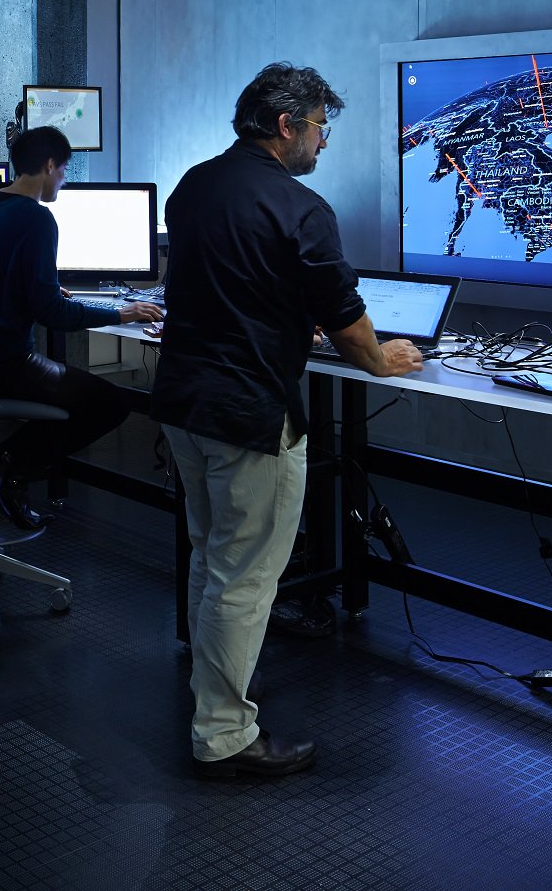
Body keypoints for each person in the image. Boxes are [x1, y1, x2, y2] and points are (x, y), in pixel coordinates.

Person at [152, 63, 423, 781]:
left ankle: (214, 688)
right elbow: (346, 316)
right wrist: (380, 359)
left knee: (212, 557)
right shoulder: (302, 207)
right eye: (318, 128)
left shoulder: (193, 185)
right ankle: (223, 734)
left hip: (183, 400)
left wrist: (284, 319)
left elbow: (222, 281)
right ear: (286, 127)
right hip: (249, 414)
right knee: (245, 576)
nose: (323, 144)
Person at [0, 125, 163, 528]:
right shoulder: (36, 217)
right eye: (63, 171)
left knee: (80, 391)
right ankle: (1, 466)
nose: (63, 182)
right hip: (1, 364)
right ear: (49, 166)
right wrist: (122, 313)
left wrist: (42, 285)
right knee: (110, 404)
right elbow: (53, 315)